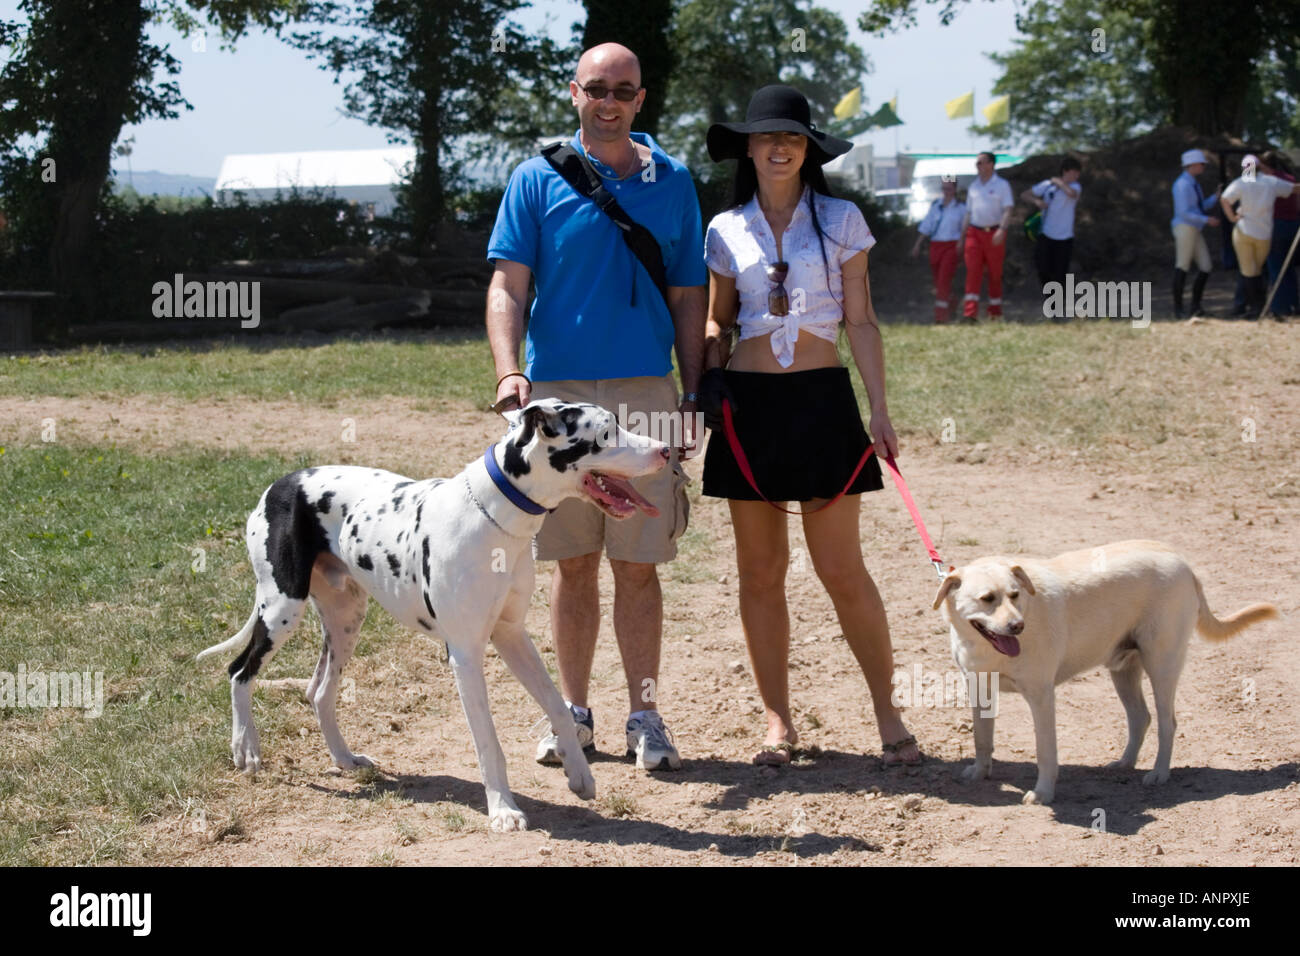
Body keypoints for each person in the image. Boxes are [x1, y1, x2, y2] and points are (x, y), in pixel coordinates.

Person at [485, 42, 707, 771]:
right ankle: (571, 714)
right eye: (597, 89)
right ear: (574, 92)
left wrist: (694, 393)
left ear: (641, 100)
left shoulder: (672, 182)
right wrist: (509, 372)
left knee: (639, 567)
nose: (609, 101)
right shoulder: (533, 180)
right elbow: (508, 286)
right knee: (572, 564)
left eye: (624, 91)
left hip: (647, 392)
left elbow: (688, 295)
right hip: (559, 406)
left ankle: (645, 714)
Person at [696, 84, 920, 767]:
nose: (779, 147)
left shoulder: (844, 219)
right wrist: (702, 379)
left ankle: (889, 716)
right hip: (749, 410)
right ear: (749, 149)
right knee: (759, 572)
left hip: (824, 405)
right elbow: (719, 318)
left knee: (841, 570)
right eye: (767, 137)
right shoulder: (725, 228)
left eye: (792, 137)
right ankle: (777, 722)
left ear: (807, 149)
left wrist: (879, 410)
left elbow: (861, 320)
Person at [1220, 153, 1300, 318]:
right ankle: (1262, 307)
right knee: (1259, 270)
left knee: (1250, 272)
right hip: (1264, 233)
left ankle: (1257, 308)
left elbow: (1224, 199)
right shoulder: (1270, 181)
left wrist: (1232, 218)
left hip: (1245, 231)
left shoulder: (1241, 183)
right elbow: (1294, 189)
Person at [959, 151, 1014, 321]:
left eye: (981, 163)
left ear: (991, 164)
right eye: (977, 163)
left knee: (994, 273)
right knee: (973, 272)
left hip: (994, 233)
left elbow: (1008, 210)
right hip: (974, 233)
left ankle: (995, 313)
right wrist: (962, 238)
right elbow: (968, 213)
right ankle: (970, 314)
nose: (978, 166)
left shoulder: (1002, 185)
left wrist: (1002, 230)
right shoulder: (974, 186)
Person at [1170, 148, 1221, 318]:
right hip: (1185, 227)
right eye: (1201, 164)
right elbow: (1184, 212)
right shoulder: (1181, 185)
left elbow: (1199, 207)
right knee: (1182, 265)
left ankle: (1195, 305)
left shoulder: (1193, 183)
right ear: (1192, 165)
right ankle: (1178, 308)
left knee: (1206, 266)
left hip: (1194, 227)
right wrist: (1207, 220)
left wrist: (1215, 197)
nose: (1203, 167)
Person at [1021, 156, 1082, 292]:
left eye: (1078, 173)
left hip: (1065, 237)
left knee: (1060, 273)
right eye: (1074, 172)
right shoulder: (1047, 186)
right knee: (1043, 268)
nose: (1076, 176)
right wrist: (1037, 202)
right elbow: (1025, 194)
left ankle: (1057, 307)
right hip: (1046, 234)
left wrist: (1059, 183)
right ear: (1065, 171)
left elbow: (1071, 194)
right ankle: (1052, 299)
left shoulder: (1076, 186)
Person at [910, 177, 966, 323]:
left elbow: (965, 230)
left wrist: (962, 245)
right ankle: (952, 304)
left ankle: (941, 316)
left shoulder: (961, 208)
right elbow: (926, 227)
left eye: (949, 188)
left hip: (951, 247)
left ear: (955, 189)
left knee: (943, 280)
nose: (946, 192)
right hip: (935, 246)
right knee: (938, 282)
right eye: (943, 188)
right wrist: (917, 245)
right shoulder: (936, 206)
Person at [1262, 151, 1299, 317]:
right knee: (1289, 268)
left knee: (1276, 267)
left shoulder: (1268, 181)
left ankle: (1279, 308)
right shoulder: (1290, 178)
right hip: (1292, 224)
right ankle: (1293, 304)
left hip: (1276, 225)